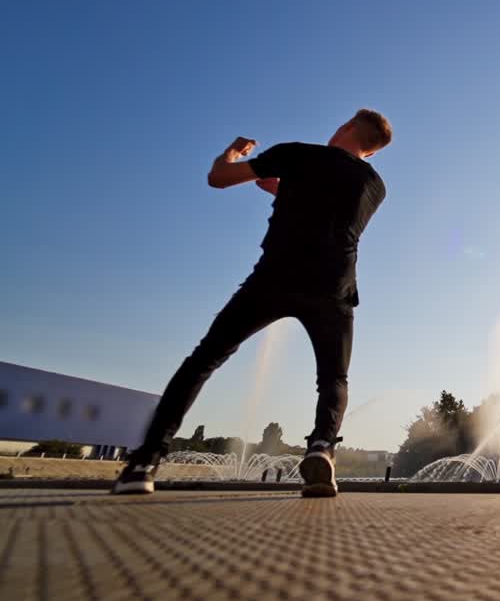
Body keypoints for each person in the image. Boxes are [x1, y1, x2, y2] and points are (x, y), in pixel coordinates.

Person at [112, 109, 391, 497]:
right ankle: (322, 449)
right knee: (333, 378)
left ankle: (143, 464)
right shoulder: (374, 184)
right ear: (372, 152)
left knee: (204, 359)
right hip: (334, 287)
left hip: (275, 276)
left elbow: (219, 179)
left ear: (344, 129)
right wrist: (280, 186)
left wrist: (231, 154)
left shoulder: (295, 154)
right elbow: (320, 204)